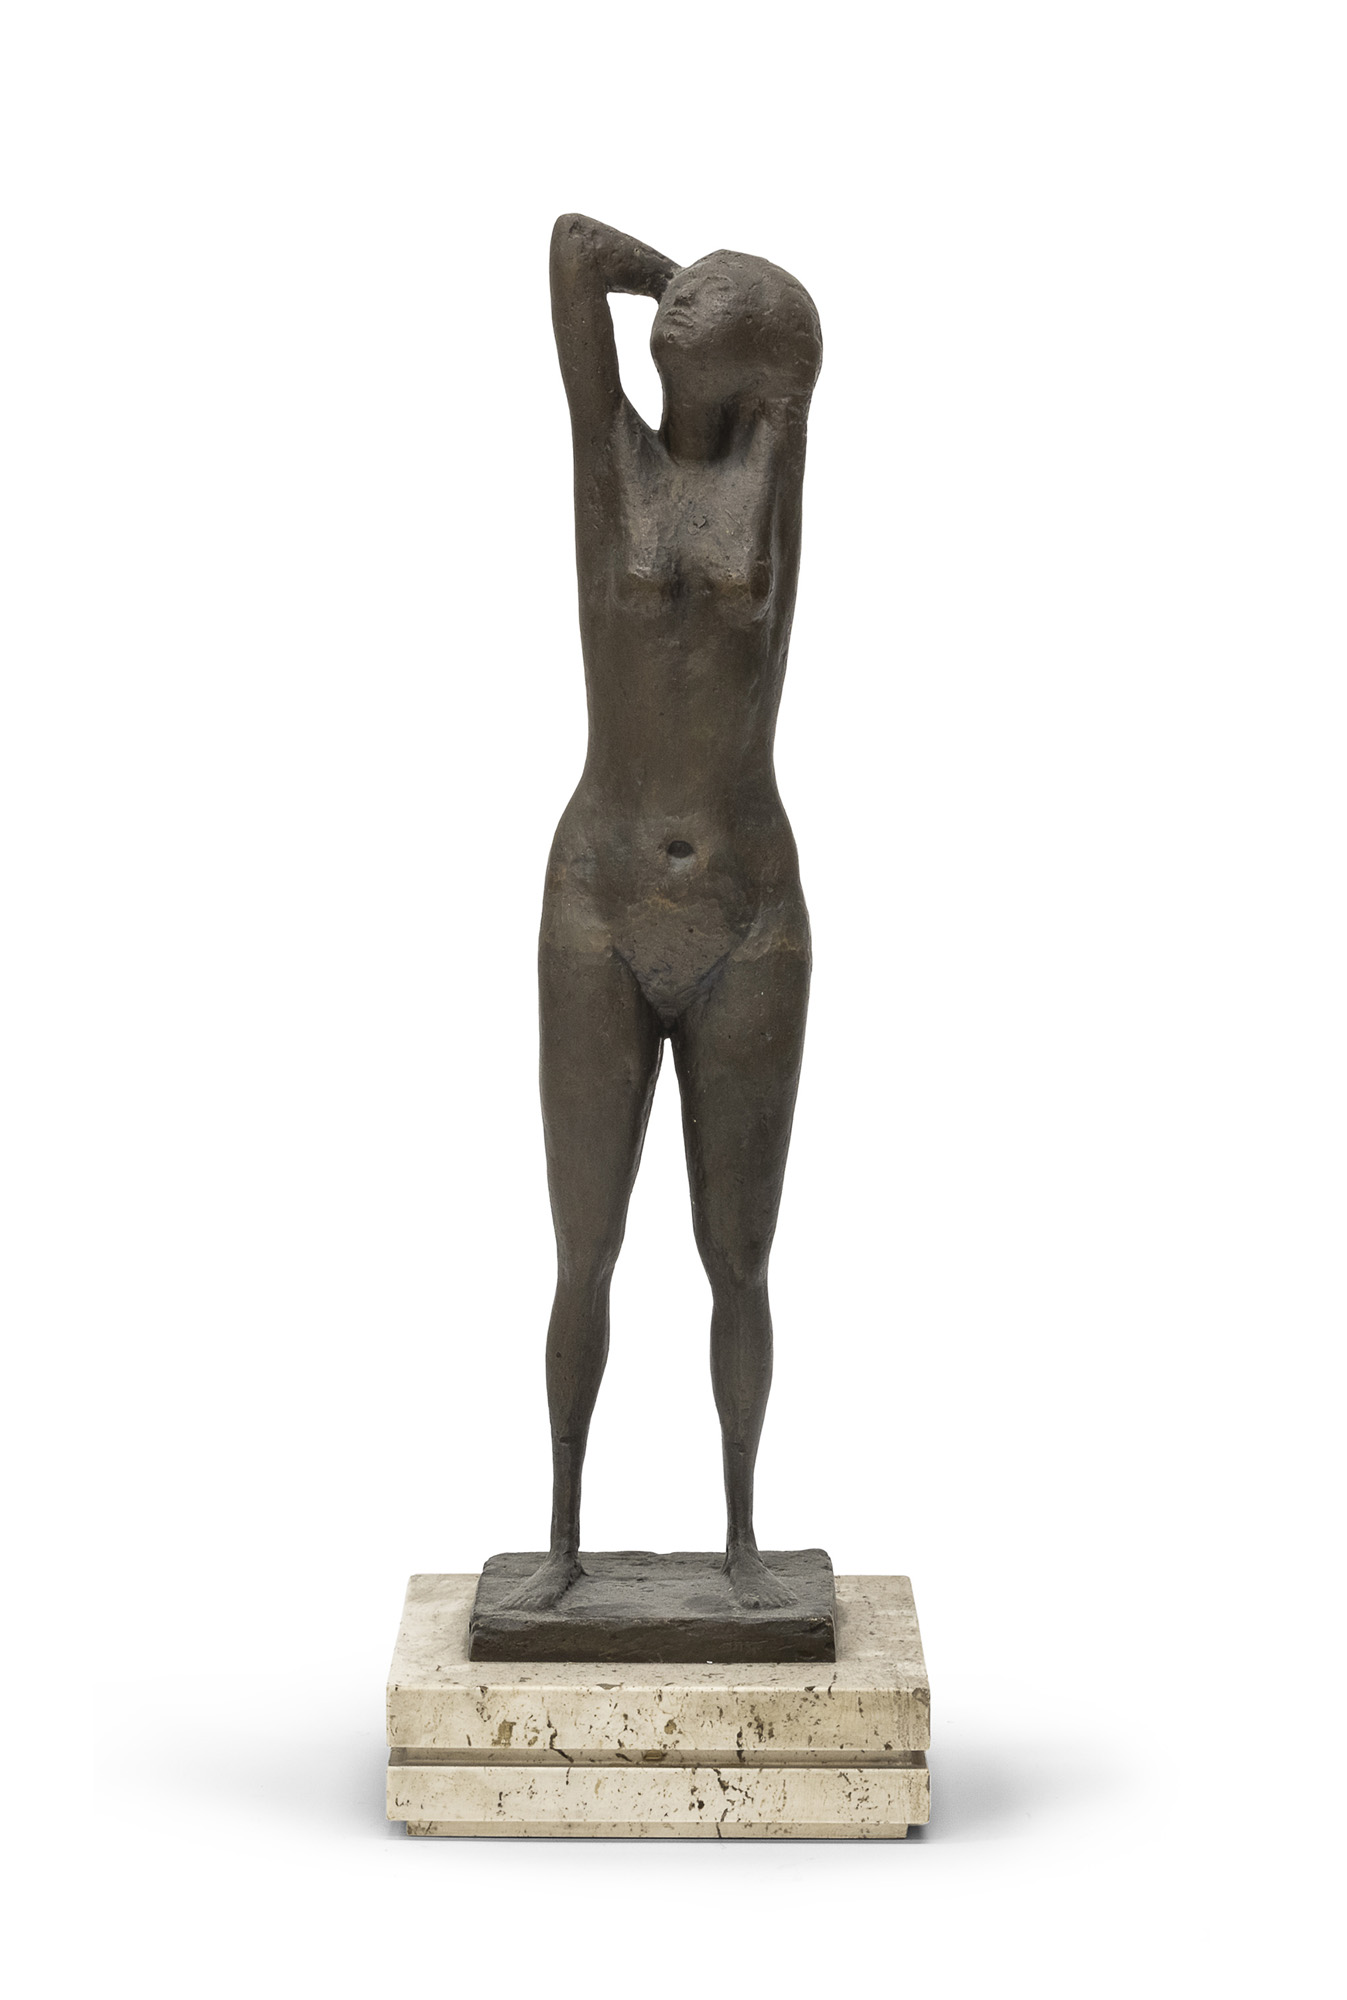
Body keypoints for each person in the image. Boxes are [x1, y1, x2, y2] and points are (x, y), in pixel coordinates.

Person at [506, 213, 823, 1612]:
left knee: (737, 1257)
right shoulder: (610, 461)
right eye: (680, 302)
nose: (682, 313)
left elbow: (807, 354)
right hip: (603, 892)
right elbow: (574, 250)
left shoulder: (772, 467)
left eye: (714, 307)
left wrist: (743, 310)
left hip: (749, 906)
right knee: (584, 1251)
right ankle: (562, 1541)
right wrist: (676, 277)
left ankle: (744, 1543)